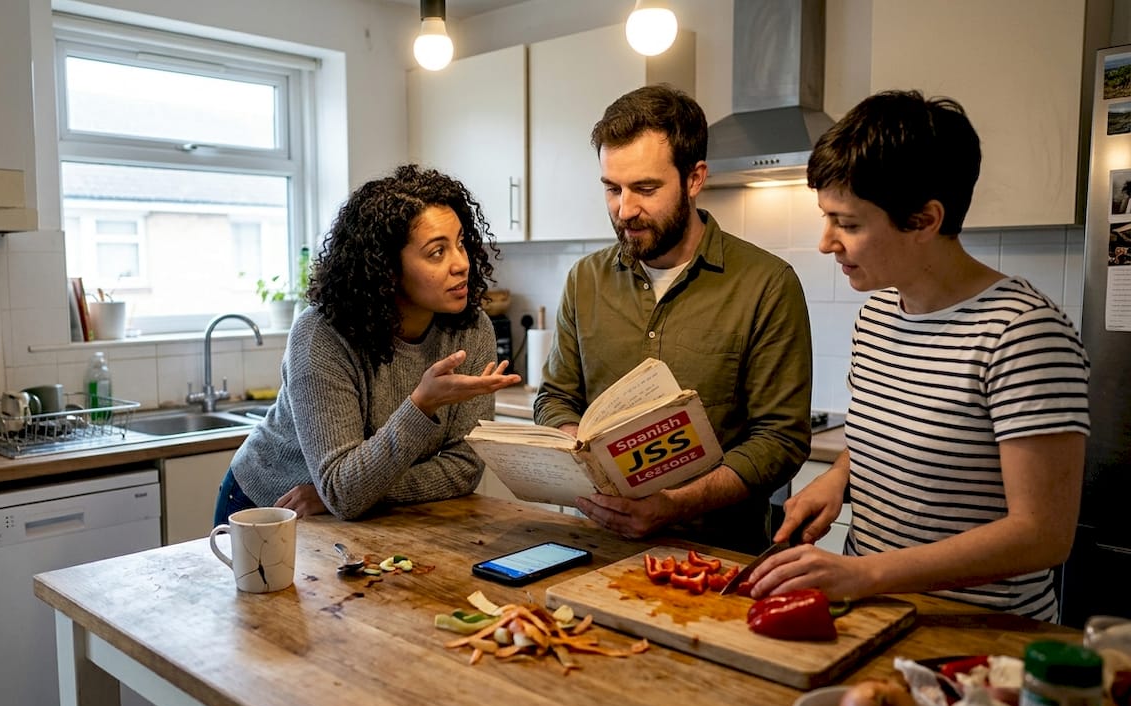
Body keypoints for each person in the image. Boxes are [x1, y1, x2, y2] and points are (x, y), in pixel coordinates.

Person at [747, 90, 1090, 622]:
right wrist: (841, 476)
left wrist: (864, 574)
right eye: (826, 218)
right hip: (875, 618)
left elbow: (1042, 536)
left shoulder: (1023, 335)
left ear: (925, 221)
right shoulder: (880, 314)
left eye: (849, 224)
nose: (825, 243)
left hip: (979, 640)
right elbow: (885, 442)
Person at [534, 84, 813, 555]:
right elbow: (556, 397)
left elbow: (780, 440)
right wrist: (578, 450)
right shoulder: (586, 279)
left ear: (694, 178)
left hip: (718, 557)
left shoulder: (767, 284)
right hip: (595, 547)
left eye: (645, 188)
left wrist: (675, 504)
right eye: (611, 188)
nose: (625, 210)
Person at [215, 164, 520, 523]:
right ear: (387, 267)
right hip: (269, 508)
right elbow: (344, 492)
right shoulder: (322, 335)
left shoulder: (472, 329)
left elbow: (465, 469)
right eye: (437, 252)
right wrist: (422, 404)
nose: (461, 264)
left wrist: (347, 493)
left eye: (461, 243)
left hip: (361, 510)